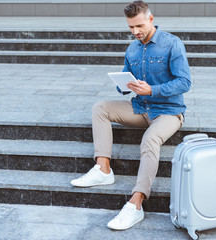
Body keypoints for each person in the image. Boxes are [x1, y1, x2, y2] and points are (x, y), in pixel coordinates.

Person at [70, 0, 191, 230]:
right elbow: (127, 80)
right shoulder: (132, 49)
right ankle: (103, 169)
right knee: (100, 108)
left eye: (139, 26)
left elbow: (184, 82)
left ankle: (136, 204)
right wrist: (124, 85)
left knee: (150, 140)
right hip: (140, 108)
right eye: (131, 28)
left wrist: (153, 90)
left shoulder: (172, 44)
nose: (135, 32)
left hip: (168, 112)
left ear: (151, 19)